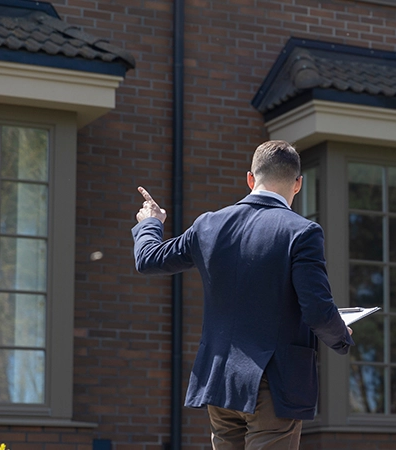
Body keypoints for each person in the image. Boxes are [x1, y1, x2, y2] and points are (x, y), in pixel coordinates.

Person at [131, 140, 354, 449]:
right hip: (274, 383)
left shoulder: (208, 225)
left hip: (220, 381)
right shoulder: (302, 232)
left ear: (250, 178)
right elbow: (317, 310)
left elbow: (148, 259)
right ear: (298, 184)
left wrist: (151, 223)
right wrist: (341, 336)